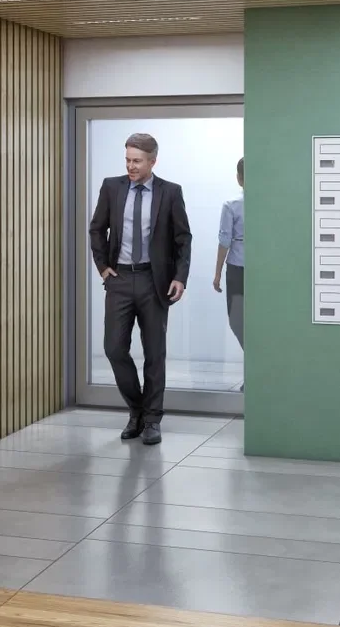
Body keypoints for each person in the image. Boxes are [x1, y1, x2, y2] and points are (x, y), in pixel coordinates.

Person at [89, 133, 192, 446]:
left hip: (153, 281)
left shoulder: (170, 192)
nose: (131, 166)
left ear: (152, 162)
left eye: (137, 161)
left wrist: (180, 277)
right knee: (114, 348)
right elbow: (97, 228)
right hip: (119, 280)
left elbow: (183, 239)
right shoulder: (112, 187)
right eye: (127, 160)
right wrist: (103, 266)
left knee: (154, 353)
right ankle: (136, 409)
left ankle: (151, 420)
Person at [213, 157, 244, 391]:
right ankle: (258, 368)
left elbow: (224, 241)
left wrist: (217, 274)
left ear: (238, 178)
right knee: (244, 322)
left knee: (237, 321)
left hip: (238, 270)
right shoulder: (232, 205)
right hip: (245, 268)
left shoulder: (231, 205)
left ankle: (257, 372)